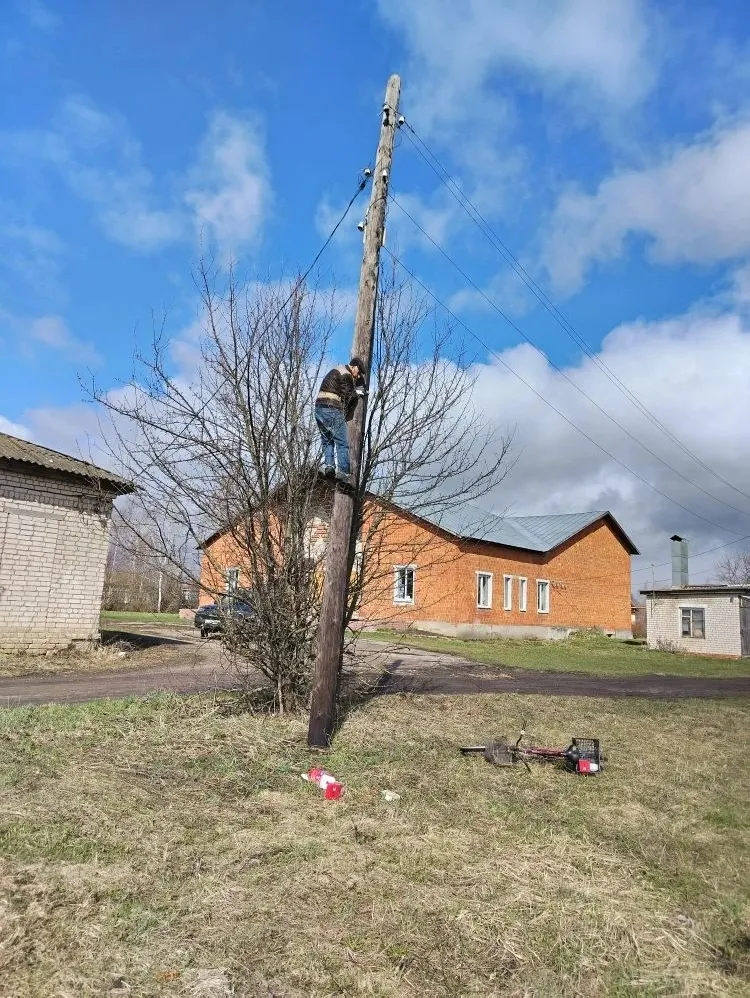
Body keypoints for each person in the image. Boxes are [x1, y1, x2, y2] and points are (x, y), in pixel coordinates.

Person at [315, 356, 366, 486]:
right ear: (354, 366)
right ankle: (344, 474)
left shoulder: (337, 369)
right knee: (342, 442)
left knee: (327, 440)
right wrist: (359, 393)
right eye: (358, 372)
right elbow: (348, 396)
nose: (358, 375)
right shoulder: (346, 375)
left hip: (319, 409)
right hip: (331, 408)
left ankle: (329, 468)